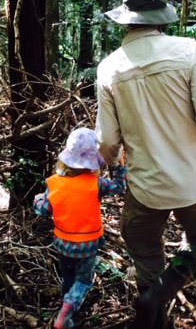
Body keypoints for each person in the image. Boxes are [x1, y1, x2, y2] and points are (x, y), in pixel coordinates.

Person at [95, 0, 196, 329]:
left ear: (126, 18)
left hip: (146, 187)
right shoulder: (188, 50)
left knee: (144, 251)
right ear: (162, 16)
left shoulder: (108, 68)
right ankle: (167, 286)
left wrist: (114, 164)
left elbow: (108, 140)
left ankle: (152, 302)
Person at [33, 127, 127, 329]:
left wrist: (37, 199)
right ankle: (67, 310)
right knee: (83, 281)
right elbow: (120, 187)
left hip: (62, 244)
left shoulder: (54, 184)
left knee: (68, 276)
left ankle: (65, 307)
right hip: (88, 246)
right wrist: (120, 164)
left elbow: (42, 210)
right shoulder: (97, 184)